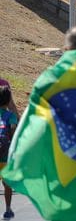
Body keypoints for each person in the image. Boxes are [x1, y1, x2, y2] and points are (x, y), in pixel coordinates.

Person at [0, 85, 17, 220]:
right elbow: (13, 134)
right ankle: (8, 209)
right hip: (5, 155)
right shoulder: (11, 116)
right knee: (7, 184)